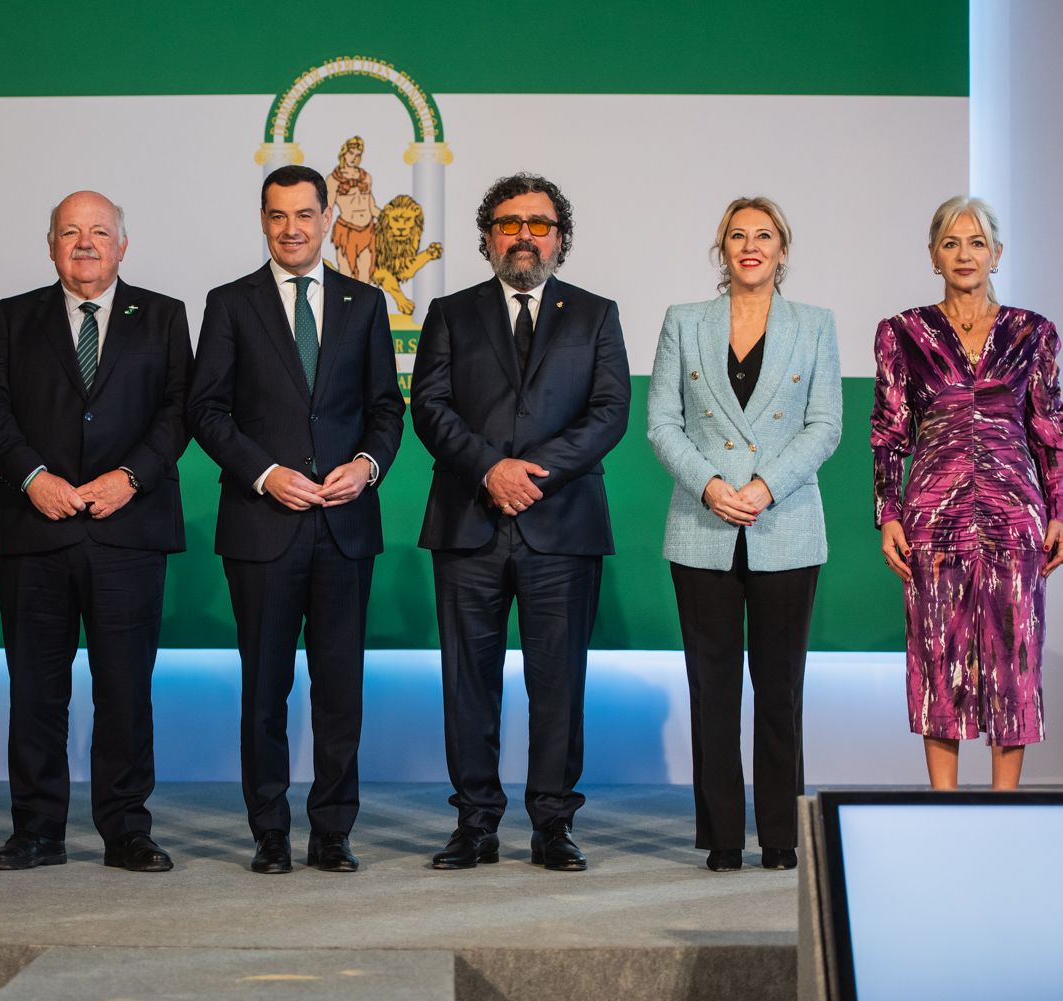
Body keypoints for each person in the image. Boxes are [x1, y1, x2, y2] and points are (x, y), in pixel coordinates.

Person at [188, 164, 404, 874]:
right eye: (278, 215)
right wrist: (266, 473)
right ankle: (270, 831)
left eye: (306, 214)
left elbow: (385, 410)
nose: (293, 228)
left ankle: (334, 831)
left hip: (345, 525)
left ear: (327, 219)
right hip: (261, 523)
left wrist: (367, 466)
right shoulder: (228, 302)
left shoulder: (366, 303)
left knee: (340, 687)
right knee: (264, 686)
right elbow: (207, 411)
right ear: (263, 220)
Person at [411, 172, 628, 873]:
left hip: (561, 524)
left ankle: (553, 825)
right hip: (468, 521)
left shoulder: (596, 314)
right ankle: (474, 824)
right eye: (509, 223)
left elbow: (608, 412)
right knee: (466, 681)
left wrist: (531, 473)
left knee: (558, 681)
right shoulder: (449, 311)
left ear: (560, 238)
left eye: (539, 223)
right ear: (486, 238)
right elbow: (431, 407)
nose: (524, 235)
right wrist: (490, 470)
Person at [0, 191, 190, 873]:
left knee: (125, 689)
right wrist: (33, 476)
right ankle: (36, 830)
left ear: (123, 244)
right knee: (36, 689)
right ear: (51, 244)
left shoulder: (162, 315)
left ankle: (127, 829)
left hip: (129, 529)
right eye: (71, 232)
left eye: (99, 232)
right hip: (38, 529)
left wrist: (133, 476)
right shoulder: (14, 317)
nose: (85, 244)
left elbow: (180, 409)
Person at [646, 196, 841, 872]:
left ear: (783, 251)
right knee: (712, 687)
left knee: (781, 688)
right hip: (704, 524)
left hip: (783, 522)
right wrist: (709, 484)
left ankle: (783, 834)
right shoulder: (684, 321)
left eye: (764, 235)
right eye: (737, 234)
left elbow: (826, 425)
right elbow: (662, 421)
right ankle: (723, 835)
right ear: (721, 249)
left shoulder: (814, 326)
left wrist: (763, 487)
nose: (750, 245)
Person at [873, 195, 1060, 790]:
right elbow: (887, 432)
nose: (964, 254)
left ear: (997, 254)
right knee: (937, 662)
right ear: (933, 256)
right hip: (933, 518)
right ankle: (943, 809)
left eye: (976, 242)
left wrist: (1059, 510)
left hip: (1015, 518)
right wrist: (888, 512)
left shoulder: (1034, 332)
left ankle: (1004, 810)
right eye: (950, 243)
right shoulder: (901, 332)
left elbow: (1051, 429)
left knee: (1015, 663)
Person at [327, 136, 377, 284]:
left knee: (365, 279)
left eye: (358, 155)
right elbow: (327, 209)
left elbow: (372, 207)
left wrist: (389, 217)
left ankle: (363, 308)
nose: (354, 158)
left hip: (367, 229)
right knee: (346, 278)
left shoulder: (366, 177)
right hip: (346, 230)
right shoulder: (333, 179)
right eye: (351, 153)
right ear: (343, 153)